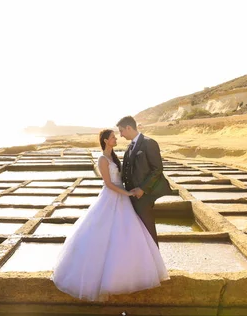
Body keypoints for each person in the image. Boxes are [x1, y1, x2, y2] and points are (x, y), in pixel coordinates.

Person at [52, 129, 168, 301]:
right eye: (113, 137)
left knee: (127, 232)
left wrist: (132, 189)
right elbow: (107, 183)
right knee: (103, 232)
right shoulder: (102, 159)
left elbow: (122, 177)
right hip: (111, 196)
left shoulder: (114, 157)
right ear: (106, 140)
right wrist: (127, 193)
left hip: (121, 196)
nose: (116, 139)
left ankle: (129, 271)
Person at [117, 116, 171, 246]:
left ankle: (155, 264)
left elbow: (157, 169)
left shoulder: (149, 143)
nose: (120, 135)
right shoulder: (129, 147)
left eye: (121, 131)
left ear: (129, 128)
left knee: (148, 230)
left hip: (145, 196)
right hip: (132, 196)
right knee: (137, 232)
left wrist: (142, 189)